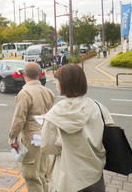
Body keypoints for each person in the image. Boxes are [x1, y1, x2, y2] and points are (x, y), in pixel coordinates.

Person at [41, 64, 114, 192]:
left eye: (58, 80)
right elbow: (110, 136)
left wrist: (62, 144)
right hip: (94, 175)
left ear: (63, 84)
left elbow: (47, 146)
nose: (56, 83)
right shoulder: (98, 107)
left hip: (67, 178)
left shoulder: (55, 113)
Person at [9, 62, 55, 192]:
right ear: (40, 74)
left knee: (31, 176)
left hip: (30, 137)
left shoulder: (25, 93)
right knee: (42, 173)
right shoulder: (48, 92)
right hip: (45, 135)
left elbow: (19, 119)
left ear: (24, 75)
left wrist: (13, 138)